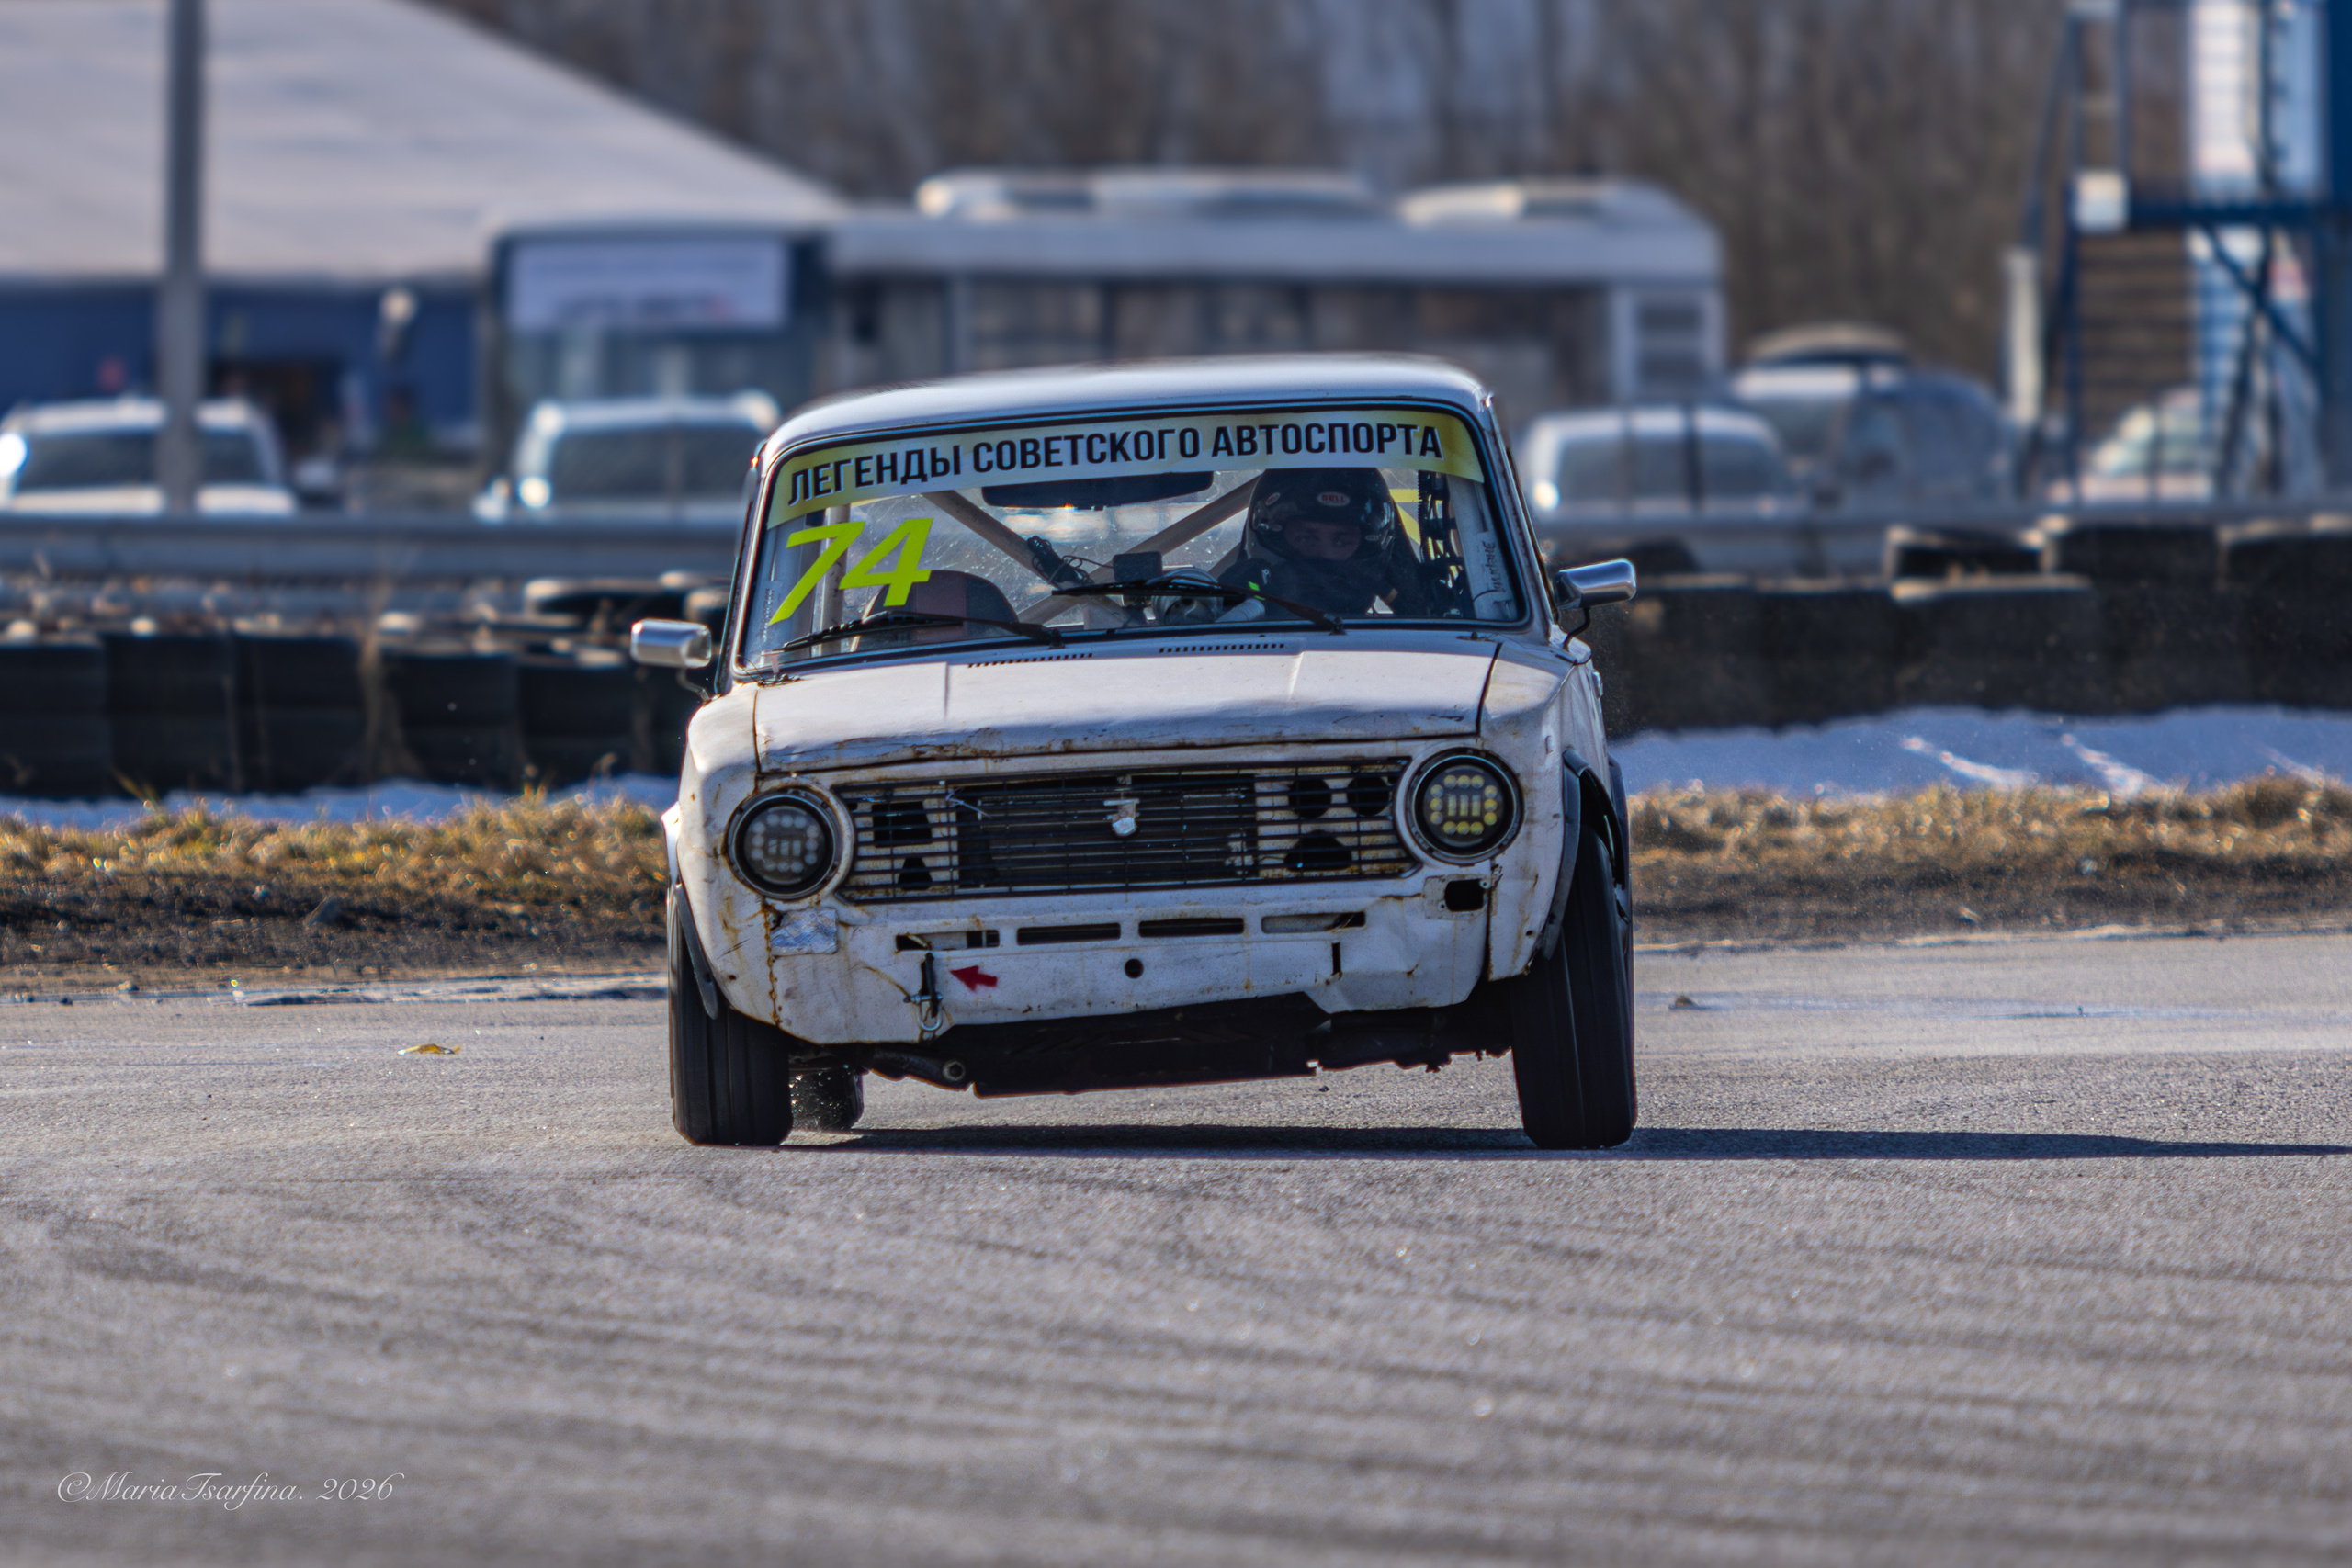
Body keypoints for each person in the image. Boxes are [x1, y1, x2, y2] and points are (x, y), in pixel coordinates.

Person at [1219, 467, 1440, 618]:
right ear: (1273, 540)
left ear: (1366, 548)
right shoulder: (1214, 624)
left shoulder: (1433, 643)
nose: (1324, 554)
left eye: (1342, 541)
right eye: (1306, 538)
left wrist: (1408, 596)